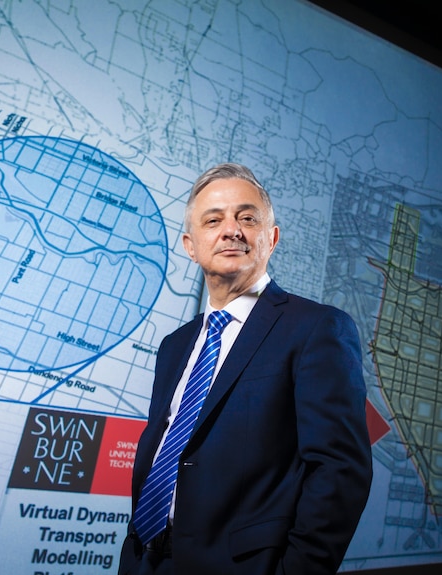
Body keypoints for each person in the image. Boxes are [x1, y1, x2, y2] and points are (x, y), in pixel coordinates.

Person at [119, 163, 372, 574]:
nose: (231, 229)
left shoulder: (316, 329)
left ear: (270, 238)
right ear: (191, 244)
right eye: (213, 220)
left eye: (247, 217)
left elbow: (340, 471)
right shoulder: (174, 347)